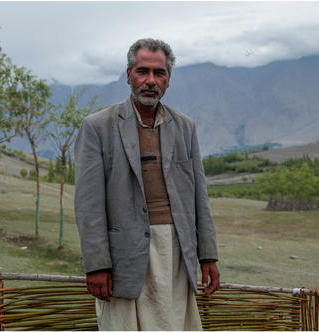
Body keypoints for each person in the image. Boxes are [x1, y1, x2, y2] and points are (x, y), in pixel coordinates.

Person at [75, 38, 220, 331]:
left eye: (159, 73)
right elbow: (88, 204)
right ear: (129, 76)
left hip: (175, 251)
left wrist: (208, 256)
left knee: (173, 322)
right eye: (142, 72)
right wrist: (97, 264)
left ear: (169, 79)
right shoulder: (98, 127)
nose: (150, 81)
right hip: (123, 254)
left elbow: (199, 196)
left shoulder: (184, 127)